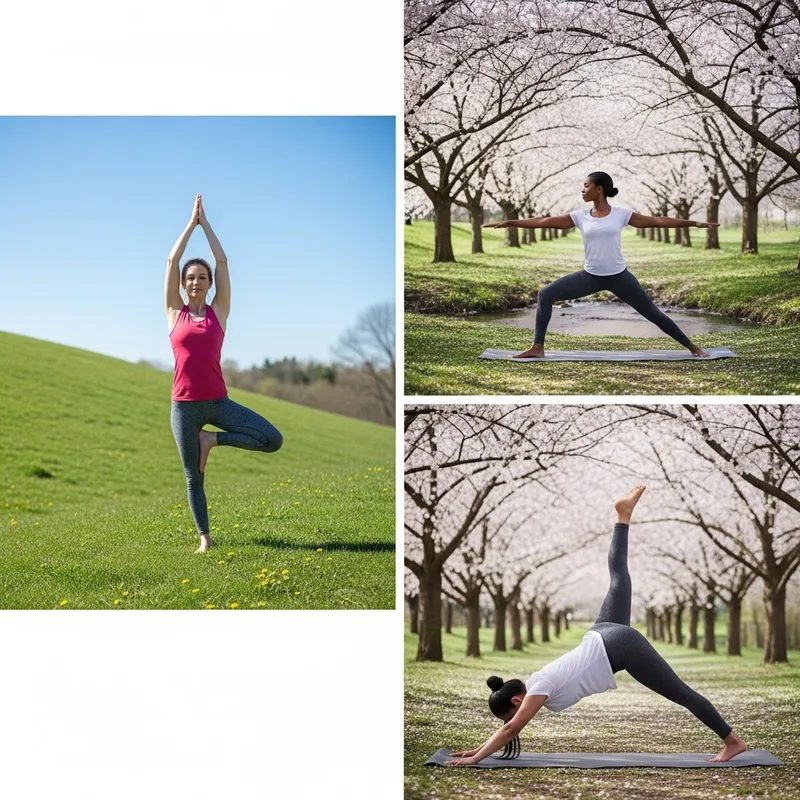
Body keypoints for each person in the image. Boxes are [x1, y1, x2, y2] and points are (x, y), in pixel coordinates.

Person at [445, 486, 748, 766]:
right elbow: (509, 726)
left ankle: (732, 741)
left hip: (618, 646)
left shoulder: (539, 688)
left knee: (681, 693)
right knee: (619, 577)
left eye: (512, 712)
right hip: (602, 632)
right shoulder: (538, 681)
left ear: (516, 700)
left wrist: (476, 759)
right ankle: (623, 515)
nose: (517, 719)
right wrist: (479, 749)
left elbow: (511, 728)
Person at [484, 172, 718, 359]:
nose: (582, 190)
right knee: (546, 294)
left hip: (619, 277)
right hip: (590, 276)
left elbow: (658, 220)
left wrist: (694, 223)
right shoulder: (579, 216)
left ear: (599, 189)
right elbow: (544, 221)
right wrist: (512, 222)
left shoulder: (621, 214)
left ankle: (693, 347)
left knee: (653, 314)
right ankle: (537, 347)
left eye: (586, 185)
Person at [165, 194, 283, 553]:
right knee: (193, 477)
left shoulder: (220, 311)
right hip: (184, 408)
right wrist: (190, 225)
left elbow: (223, 259)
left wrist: (207, 224)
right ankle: (205, 539)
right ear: (184, 285)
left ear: (210, 283)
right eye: (191, 278)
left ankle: (210, 441)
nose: (197, 282)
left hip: (218, 404)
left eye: (202, 277)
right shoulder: (174, 312)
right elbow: (171, 260)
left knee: (272, 439)